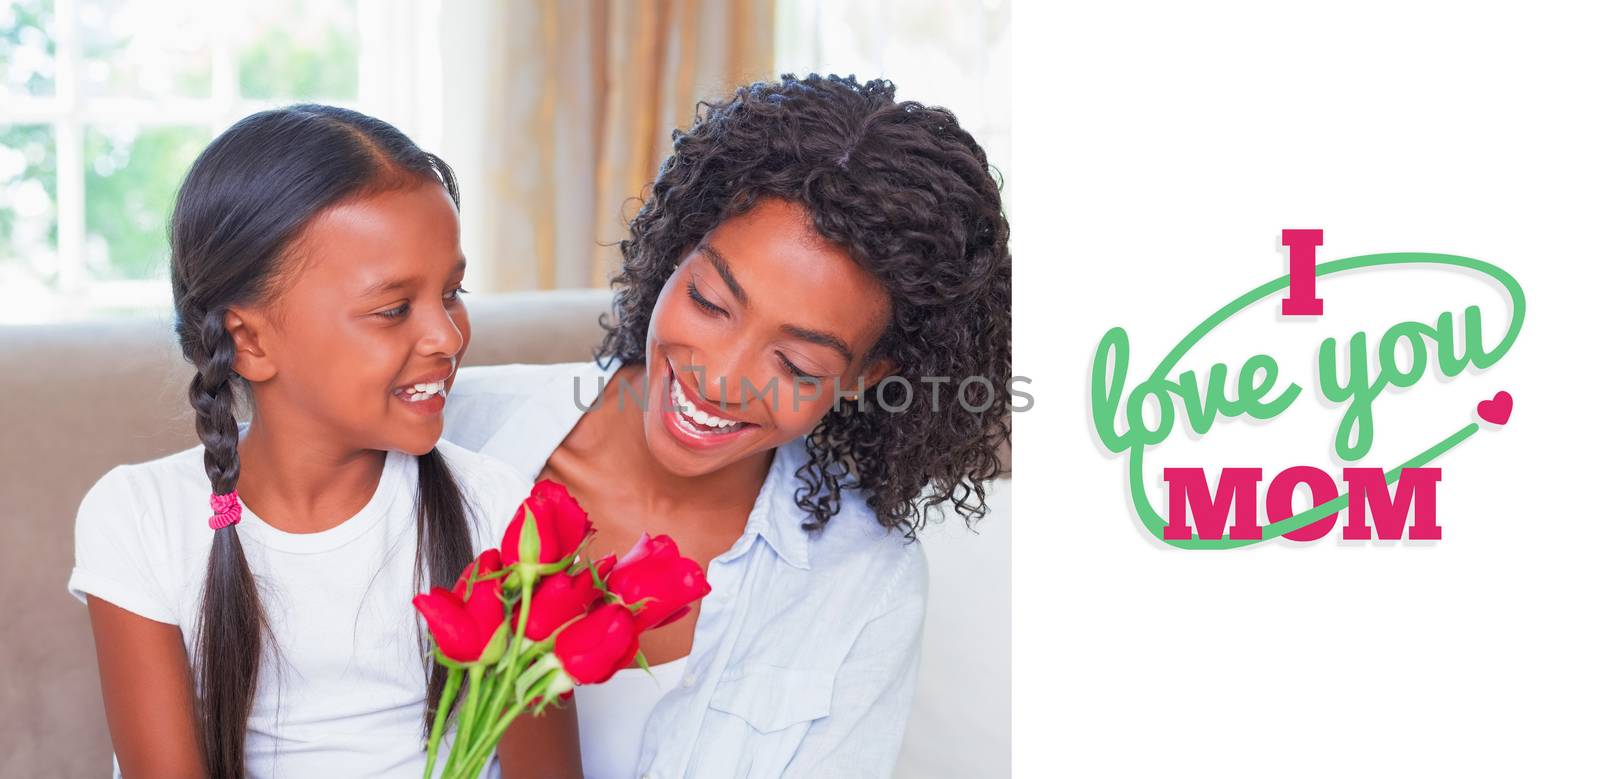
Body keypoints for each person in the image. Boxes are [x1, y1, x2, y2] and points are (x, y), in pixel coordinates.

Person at [445, 73, 1011, 777]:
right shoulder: (453, 432)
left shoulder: (863, 583)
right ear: (679, 251)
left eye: (798, 362)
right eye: (711, 301)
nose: (721, 374)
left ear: (866, 375)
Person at [67, 105, 580, 778]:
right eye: (393, 309)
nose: (448, 337)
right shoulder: (141, 517)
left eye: (452, 292)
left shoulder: (496, 507)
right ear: (249, 340)